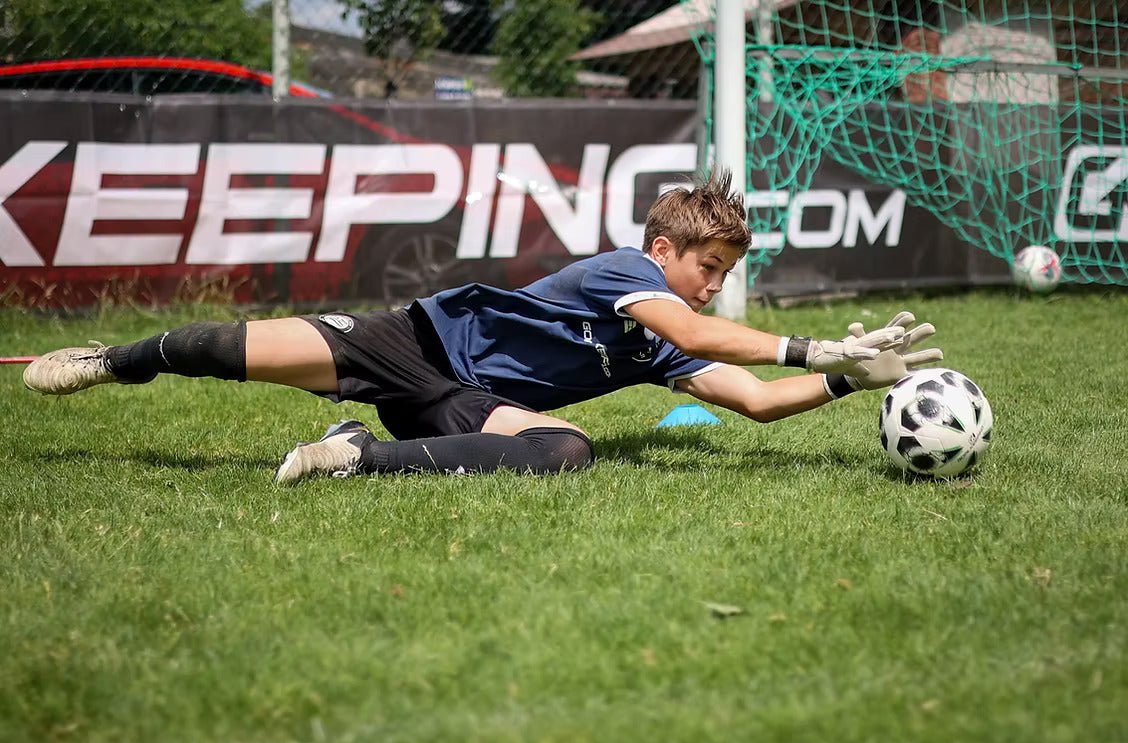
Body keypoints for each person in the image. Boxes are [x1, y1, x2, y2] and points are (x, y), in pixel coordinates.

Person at [22, 169, 942, 483]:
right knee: (221, 348)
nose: (712, 290)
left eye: (724, 275)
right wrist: (809, 341)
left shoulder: (663, 337)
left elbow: (752, 398)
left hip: (466, 403)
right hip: (410, 341)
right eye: (709, 269)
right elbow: (706, 341)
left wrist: (842, 376)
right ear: (664, 250)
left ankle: (353, 456)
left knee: (565, 452)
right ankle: (108, 359)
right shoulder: (627, 275)